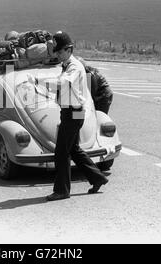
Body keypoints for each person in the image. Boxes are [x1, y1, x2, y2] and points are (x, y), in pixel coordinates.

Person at [46, 31, 108, 201]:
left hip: (74, 112)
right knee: (73, 149)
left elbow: (64, 83)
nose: (57, 55)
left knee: (61, 152)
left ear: (69, 49)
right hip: (70, 111)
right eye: (56, 52)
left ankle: (62, 190)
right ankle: (97, 178)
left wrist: (41, 82)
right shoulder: (66, 65)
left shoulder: (74, 66)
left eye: (60, 52)